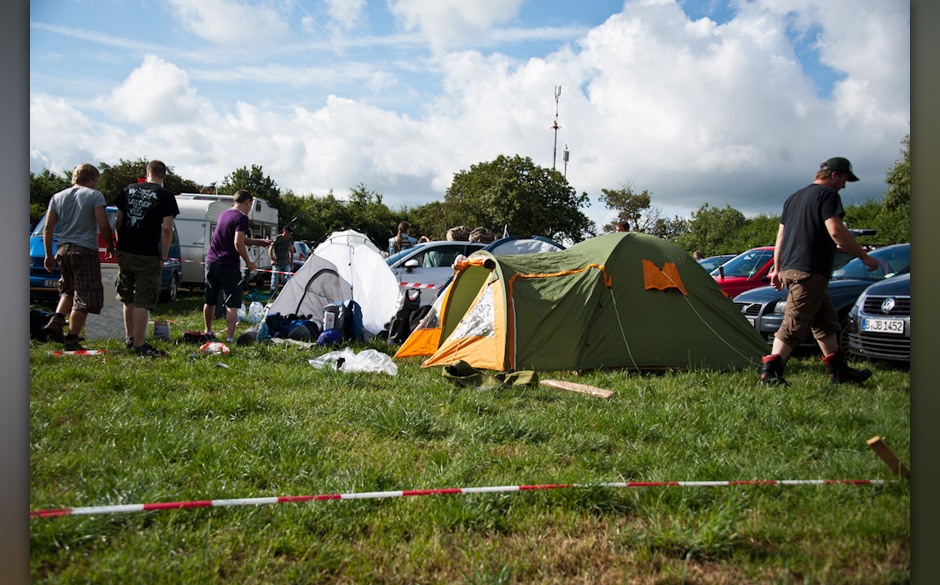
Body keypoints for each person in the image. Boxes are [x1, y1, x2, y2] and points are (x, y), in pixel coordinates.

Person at [760, 157, 879, 386]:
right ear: (834, 174)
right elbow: (835, 231)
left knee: (825, 321)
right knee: (794, 322)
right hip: (809, 269)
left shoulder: (794, 198)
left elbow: (781, 237)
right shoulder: (827, 195)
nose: (844, 185)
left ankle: (839, 372)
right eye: (844, 179)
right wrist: (864, 256)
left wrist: (777, 269)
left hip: (793, 268)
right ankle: (770, 373)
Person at [41, 164, 115, 351]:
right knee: (85, 296)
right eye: (96, 181)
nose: (97, 185)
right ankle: (72, 338)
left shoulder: (57, 197)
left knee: (68, 290)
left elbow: (48, 228)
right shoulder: (94, 195)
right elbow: (103, 225)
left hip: (63, 250)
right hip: (84, 250)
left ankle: (57, 321)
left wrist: (49, 255)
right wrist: (109, 245)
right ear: (91, 178)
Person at [114, 160, 180, 357]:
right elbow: (167, 229)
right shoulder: (165, 196)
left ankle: (130, 337)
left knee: (128, 297)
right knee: (143, 299)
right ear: (164, 176)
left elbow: (118, 221)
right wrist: (163, 256)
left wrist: (120, 244)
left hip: (125, 251)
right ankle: (140, 345)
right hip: (147, 254)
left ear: (147, 172)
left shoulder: (129, 190)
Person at [202, 190, 272, 343]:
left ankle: (208, 331)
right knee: (232, 303)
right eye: (251, 205)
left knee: (210, 299)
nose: (250, 208)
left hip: (211, 261)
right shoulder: (242, 217)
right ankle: (230, 338)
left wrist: (258, 242)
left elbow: (240, 238)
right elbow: (238, 242)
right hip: (228, 264)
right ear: (247, 201)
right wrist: (249, 262)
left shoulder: (224, 214)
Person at [268, 225, 294, 295]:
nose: (288, 235)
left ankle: (288, 295)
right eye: (288, 233)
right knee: (274, 281)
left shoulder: (290, 239)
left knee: (287, 280)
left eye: (290, 233)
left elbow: (291, 251)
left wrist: (291, 263)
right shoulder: (278, 238)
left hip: (286, 263)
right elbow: (271, 249)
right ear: (284, 231)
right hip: (277, 263)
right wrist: (272, 260)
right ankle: (272, 295)